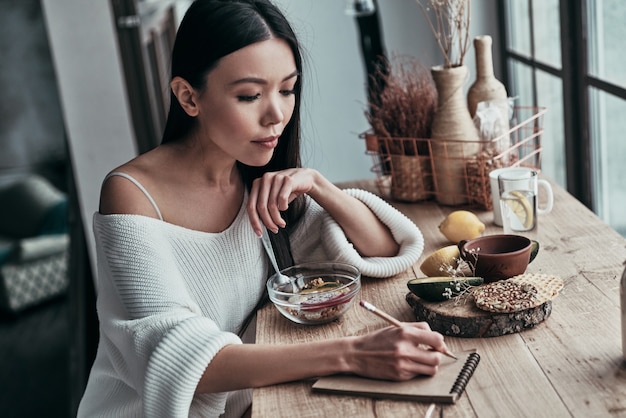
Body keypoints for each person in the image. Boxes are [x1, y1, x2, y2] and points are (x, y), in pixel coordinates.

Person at [77, 0, 451, 416]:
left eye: (288, 89)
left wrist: (318, 184)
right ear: (188, 96)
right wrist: (355, 354)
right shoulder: (131, 195)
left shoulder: (257, 181)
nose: (277, 114)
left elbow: (379, 249)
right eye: (250, 95)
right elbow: (180, 358)